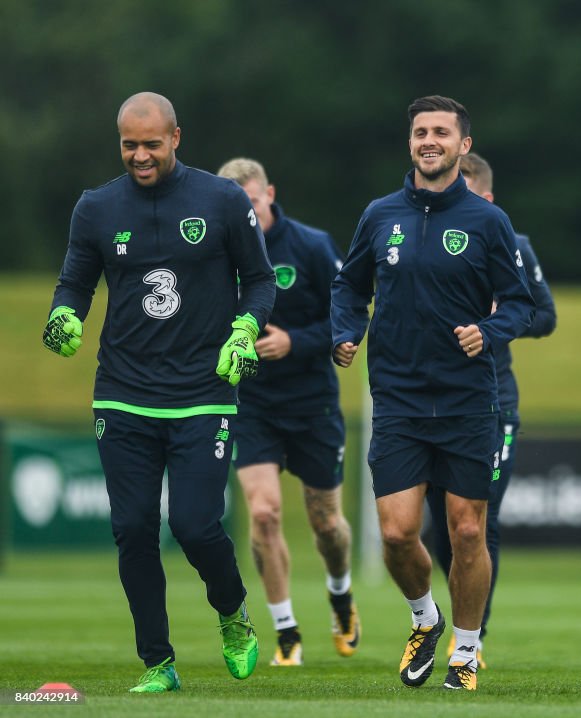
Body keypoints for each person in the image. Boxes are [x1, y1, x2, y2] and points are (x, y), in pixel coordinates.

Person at [42, 92, 275, 693]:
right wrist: (65, 316)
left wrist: (245, 331)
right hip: (122, 393)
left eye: (151, 143)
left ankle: (233, 614)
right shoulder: (95, 207)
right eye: (129, 144)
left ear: (176, 137)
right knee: (134, 529)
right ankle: (158, 663)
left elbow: (259, 280)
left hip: (204, 390)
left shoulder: (222, 200)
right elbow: (75, 283)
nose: (139, 155)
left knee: (196, 526)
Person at [331, 95, 535, 691]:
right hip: (396, 399)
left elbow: (520, 303)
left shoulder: (488, 222)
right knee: (396, 534)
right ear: (411, 142)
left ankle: (466, 651)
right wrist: (346, 331)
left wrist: (489, 330)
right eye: (420, 131)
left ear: (462, 146)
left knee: (468, 531)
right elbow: (349, 289)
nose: (429, 140)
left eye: (441, 132)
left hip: (470, 399)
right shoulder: (379, 215)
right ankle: (426, 618)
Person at [217, 158, 359, 667]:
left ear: (269, 194)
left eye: (252, 203)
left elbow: (348, 315)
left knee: (327, 525)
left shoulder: (312, 245)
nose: (246, 216)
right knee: (263, 512)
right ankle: (286, 632)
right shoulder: (216, 251)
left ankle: (341, 595)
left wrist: (295, 341)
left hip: (312, 403)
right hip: (252, 404)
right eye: (235, 208)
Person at [424, 152, 557, 669]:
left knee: (480, 523)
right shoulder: (424, 238)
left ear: (489, 200)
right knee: (440, 525)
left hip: (492, 401)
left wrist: (501, 320)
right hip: (430, 402)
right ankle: (456, 617)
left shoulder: (513, 246)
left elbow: (543, 315)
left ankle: (472, 638)